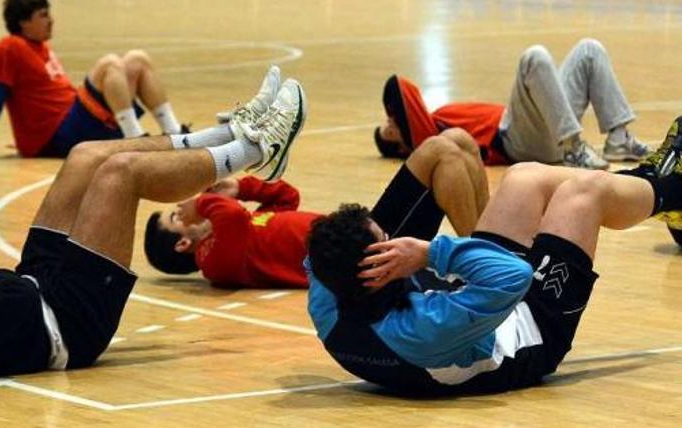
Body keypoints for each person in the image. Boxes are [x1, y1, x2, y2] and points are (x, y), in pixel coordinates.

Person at [0, 74, 307, 379]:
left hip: (38, 282)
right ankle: (256, 151)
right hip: (66, 322)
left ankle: (231, 131)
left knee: (85, 156)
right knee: (119, 175)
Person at [306, 116, 682, 396]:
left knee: (523, 177)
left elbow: (317, 256)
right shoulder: (421, 332)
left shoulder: (329, 302)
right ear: (377, 272)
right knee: (584, 193)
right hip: (532, 328)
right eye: (387, 241)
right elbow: (515, 277)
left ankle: (644, 179)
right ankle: (672, 193)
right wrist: (430, 252)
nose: (395, 240)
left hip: (468, 306)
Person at [144, 66, 489, 288]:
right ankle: (487, 266)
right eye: (176, 215)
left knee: (456, 141)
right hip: (363, 256)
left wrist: (240, 185)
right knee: (437, 151)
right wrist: (202, 202)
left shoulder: (249, 229)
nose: (184, 206)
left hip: (364, 232)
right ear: (183, 243)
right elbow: (231, 217)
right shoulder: (213, 263)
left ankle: (499, 252)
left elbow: (287, 197)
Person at [0, 0, 187, 161]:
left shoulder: (40, 46)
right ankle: (135, 139)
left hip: (73, 121)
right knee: (110, 64)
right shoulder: (8, 48)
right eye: (43, 15)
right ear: (23, 23)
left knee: (137, 59)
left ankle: (176, 134)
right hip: (58, 133)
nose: (51, 20)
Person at [373, 38, 649, 170]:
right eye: (389, 129)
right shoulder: (425, 141)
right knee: (534, 57)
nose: (390, 121)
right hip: (518, 142)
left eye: (388, 120)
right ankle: (573, 147)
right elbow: (399, 87)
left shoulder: (436, 117)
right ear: (401, 145)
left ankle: (618, 138)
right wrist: (394, 111)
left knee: (589, 50)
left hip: (535, 125)